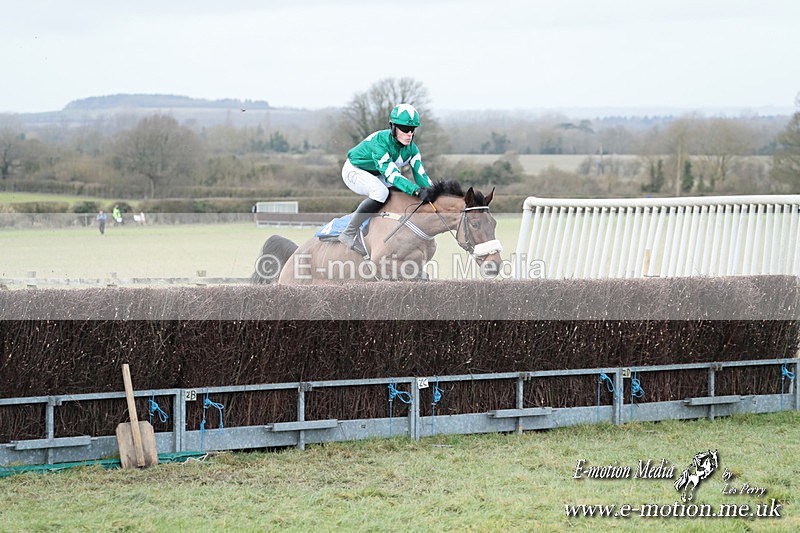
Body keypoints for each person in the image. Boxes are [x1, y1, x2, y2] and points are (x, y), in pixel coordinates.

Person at [338, 103, 434, 256]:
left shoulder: (412, 149)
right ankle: (348, 232)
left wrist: (434, 192)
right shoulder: (380, 143)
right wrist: (416, 190)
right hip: (354, 170)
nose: (409, 134)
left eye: (412, 130)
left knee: (397, 194)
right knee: (381, 192)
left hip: (377, 174)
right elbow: (392, 175)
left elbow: (421, 175)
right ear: (393, 127)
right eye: (404, 129)